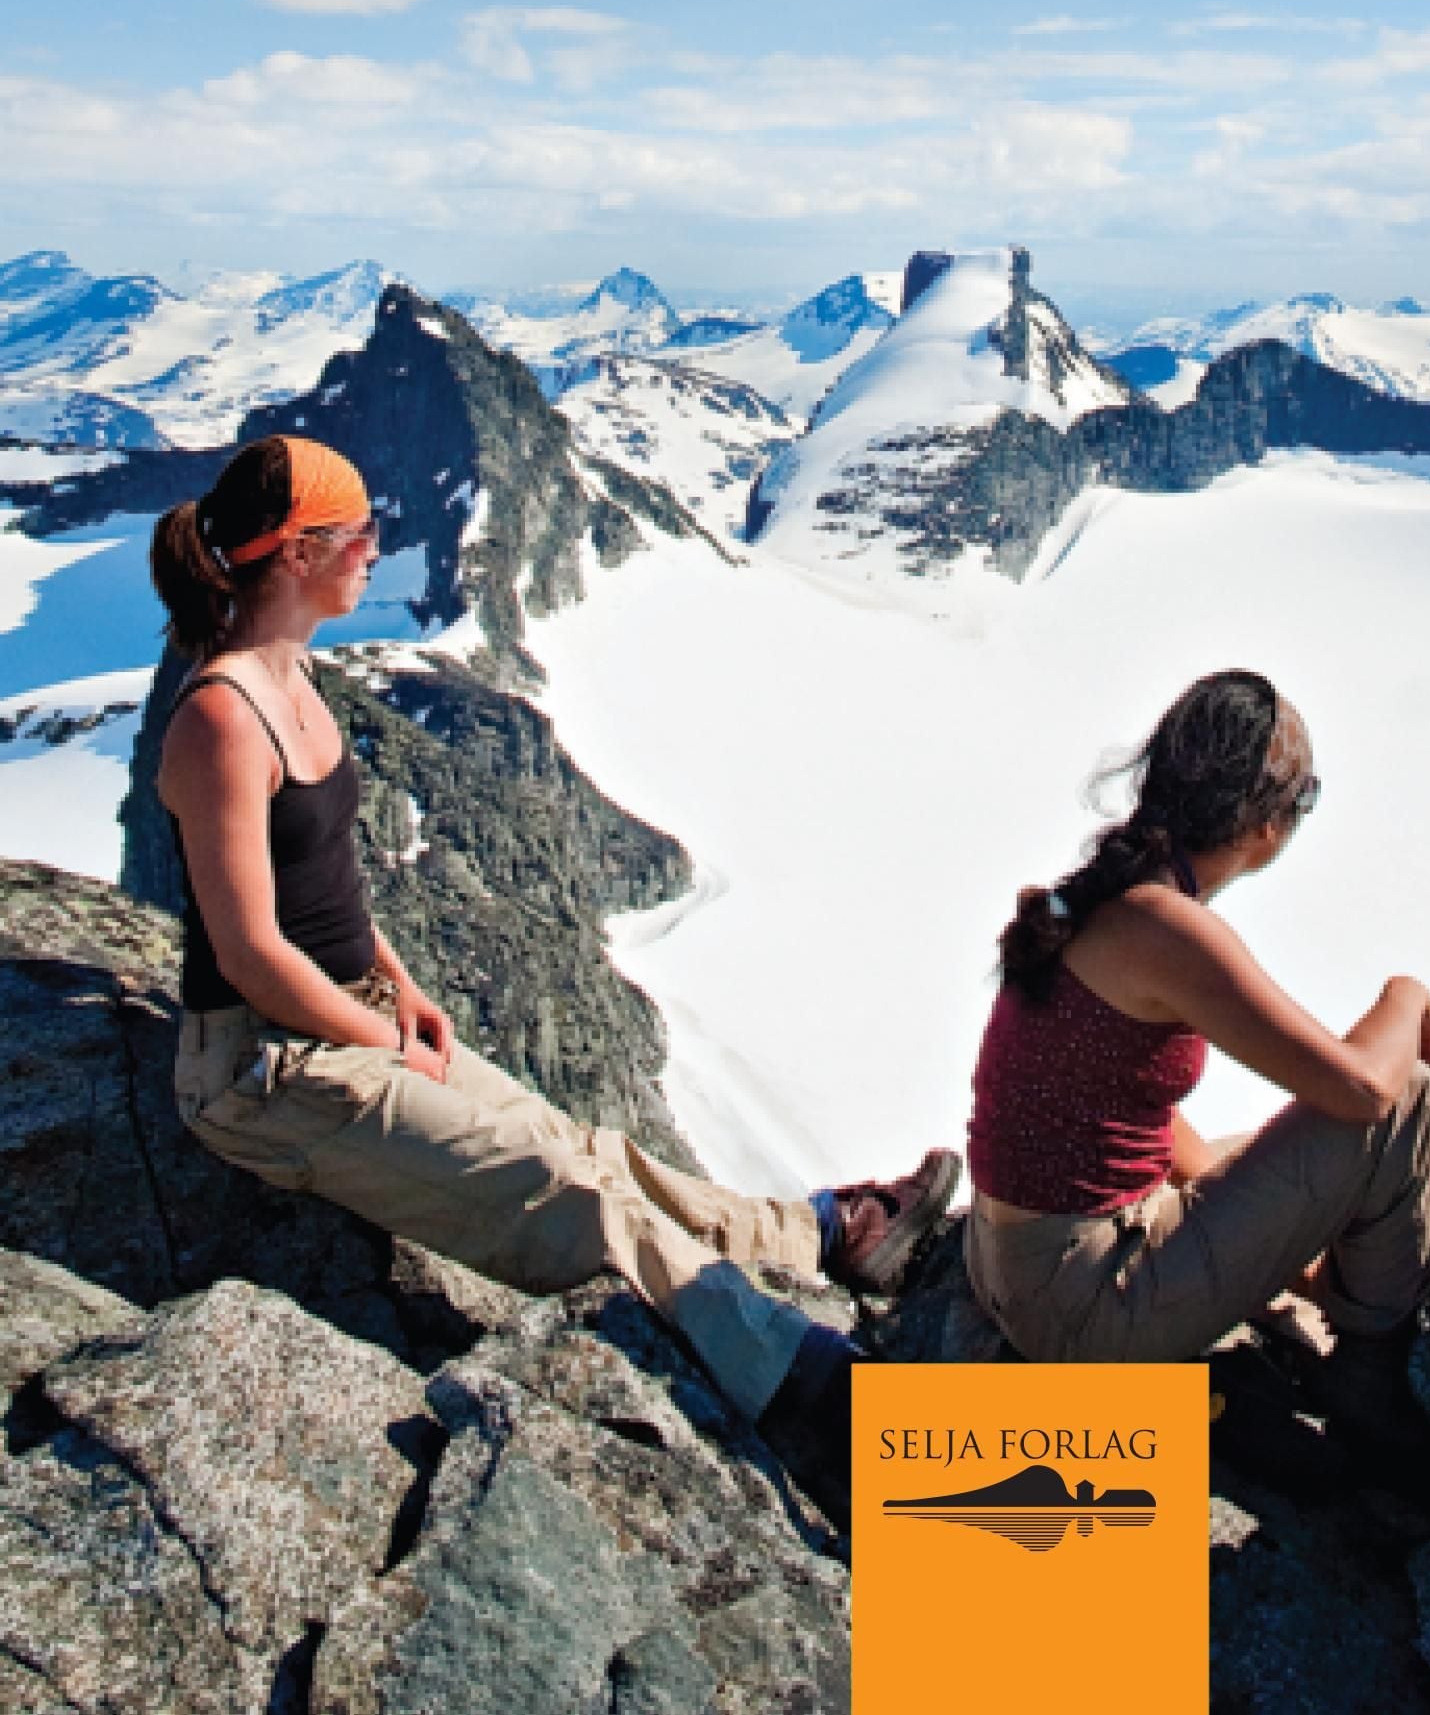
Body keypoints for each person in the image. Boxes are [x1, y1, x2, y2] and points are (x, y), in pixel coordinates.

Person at [151, 433, 958, 1529]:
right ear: (296, 553)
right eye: (360, 534)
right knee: (569, 1197)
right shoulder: (219, 716)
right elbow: (251, 951)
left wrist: (398, 986)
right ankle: (826, 1392)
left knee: (586, 1152)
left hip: (348, 1023)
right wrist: (379, 1038)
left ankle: (819, 1234)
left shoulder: (296, 677)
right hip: (264, 1071)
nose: (378, 550)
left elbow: (328, 891)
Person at [965, 669, 1430, 1444]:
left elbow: (1126, 1113)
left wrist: (1275, 1238)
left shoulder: (1108, 895)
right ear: (1265, 822)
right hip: (1083, 1312)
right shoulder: (1166, 927)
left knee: (1269, 1150)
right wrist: (1408, 995)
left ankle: (1338, 1305)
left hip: (1014, 1268)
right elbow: (1365, 1089)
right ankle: (1374, 1371)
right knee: (1411, 1103)